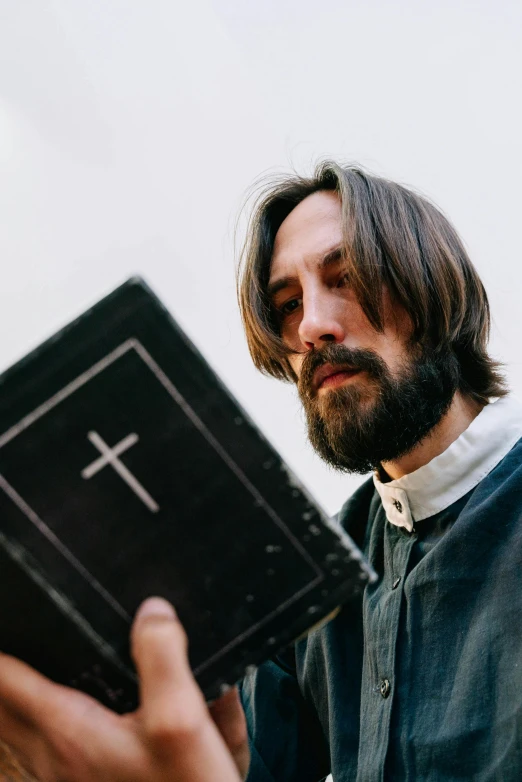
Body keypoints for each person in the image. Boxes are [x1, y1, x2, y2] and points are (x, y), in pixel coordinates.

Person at [1, 162, 521, 781]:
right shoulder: (308, 570)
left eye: (346, 277)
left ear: (432, 281)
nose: (310, 328)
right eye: (287, 304)